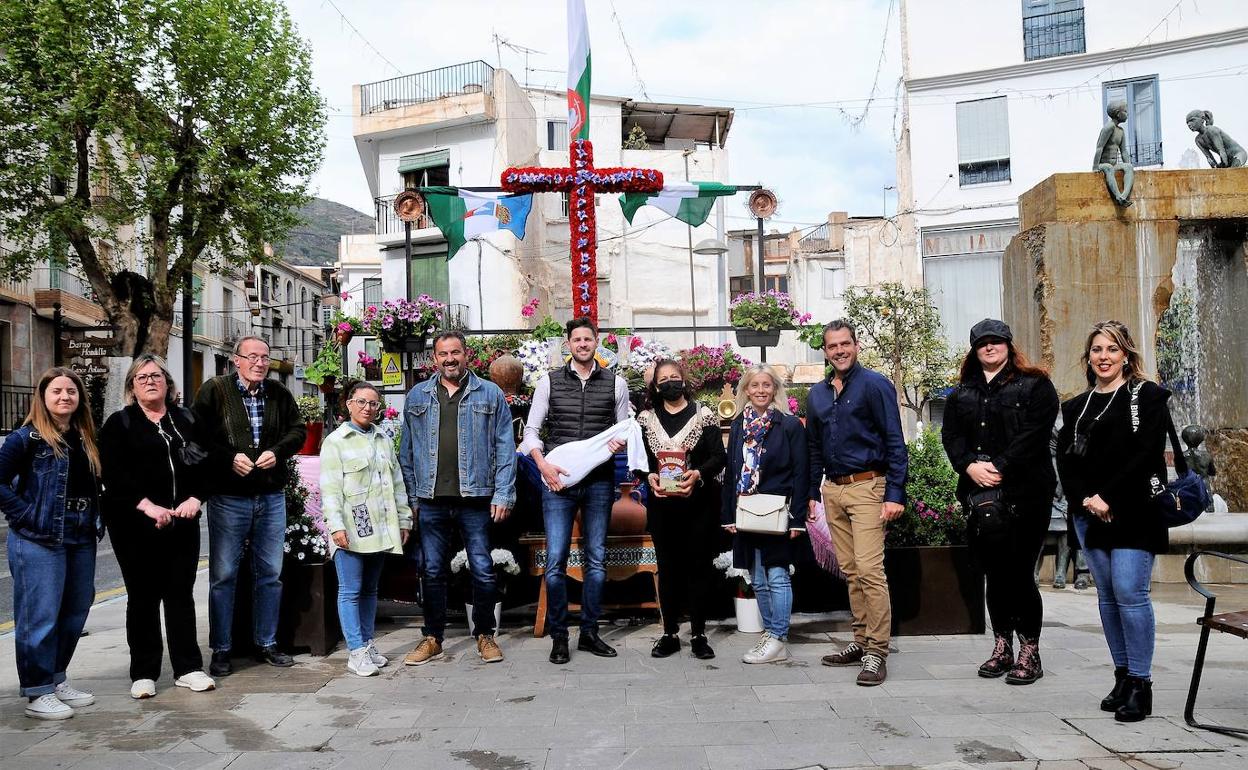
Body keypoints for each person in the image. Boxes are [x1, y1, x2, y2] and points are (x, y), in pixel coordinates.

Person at [1057, 320, 1170, 723]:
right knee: (1107, 596)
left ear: (1126, 355)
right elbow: (1066, 461)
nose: (1104, 357)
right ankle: (1122, 676)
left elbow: (1146, 454)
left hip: (1134, 510)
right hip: (1090, 513)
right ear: (1088, 357)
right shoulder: (1076, 406)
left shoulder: (1148, 396)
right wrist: (1086, 498)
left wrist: (1108, 496)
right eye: (1097, 350)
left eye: (1112, 349)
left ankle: (1141, 683)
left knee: (1130, 592)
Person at [941, 319, 1059, 685]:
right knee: (994, 574)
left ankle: (1030, 651)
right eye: (983, 344)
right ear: (974, 351)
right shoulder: (961, 393)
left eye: (996, 342)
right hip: (981, 497)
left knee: (1020, 573)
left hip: (1026, 494)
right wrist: (969, 467)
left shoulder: (1036, 385)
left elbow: (1035, 434)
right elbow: (951, 436)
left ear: (1009, 345)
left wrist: (999, 467)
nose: (990, 348)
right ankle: (1002, 645)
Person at [99, 355, 215, 699]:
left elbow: (208, 462)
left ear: (168, 383)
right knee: (143, 596)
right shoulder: (119, 424)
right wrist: (147, 506)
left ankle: (189, 668)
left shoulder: (186, 418)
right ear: (132, 387)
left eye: (155, 376)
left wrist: (196, 497)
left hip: (182, 521)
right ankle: (144, 672)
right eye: (141, 377)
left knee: (180, 594)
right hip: (134, 525)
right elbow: (112, 473)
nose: (149, 381)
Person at [400, 331, 516, 666]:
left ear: (467, 355)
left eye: (455, 352)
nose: (449, 359)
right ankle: (433, 638)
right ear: (433, 359)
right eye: (442, 354)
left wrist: (503, 492)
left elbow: (505, 447)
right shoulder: (418, 396)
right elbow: (406, 451)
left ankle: (484, 634)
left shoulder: (490, 394)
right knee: (432, 569)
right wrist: (412, 497)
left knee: (482, 567)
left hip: (475, 498)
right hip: (431, 499)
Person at [193, 335, 306, 677]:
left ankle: (267, 642)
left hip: (270, 496)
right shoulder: (214, 390)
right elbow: (198, 436)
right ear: (236, 360)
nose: (259, 363)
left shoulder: (279, 394)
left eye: (265, 358)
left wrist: (278, 451)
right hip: (228, 498)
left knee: (270, 573)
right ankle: (222, 649)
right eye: (252, 357)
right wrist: (228, 459)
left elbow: (298, 430)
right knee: (223, 575)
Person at [520, 317, 630, 664]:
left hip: (599, 480)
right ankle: (559, 636)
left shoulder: (616, 383)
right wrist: (543, 466)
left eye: (588, 339)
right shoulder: (549, 382)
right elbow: (532, 432)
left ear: (597, 343)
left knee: (596, 560)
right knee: (556, 560)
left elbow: (624, 428)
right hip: (558, 480)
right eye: (576, 339)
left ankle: (590, 632)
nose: (582, 344)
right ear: (567, 344)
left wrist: (615, 445)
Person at [806, 319, 907, 687]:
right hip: (832, 490)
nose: (839, 351)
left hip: (868, 486)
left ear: (856, 344)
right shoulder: (817, 394)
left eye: (845, 344)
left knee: (869, 570)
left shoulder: (875, 384)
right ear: (826, 350)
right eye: (832, 346)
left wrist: (895, 494)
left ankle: (877, 652)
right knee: (850, 571)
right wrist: (810, 495)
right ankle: (861, 640)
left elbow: (896, 442)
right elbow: (814, 448)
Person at [0, 368, 102, 720]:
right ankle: (37, 690)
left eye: (71, 391)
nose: (64, 397)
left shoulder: (86, 436)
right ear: (43, 397)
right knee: (39, 616)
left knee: (75, 611)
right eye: (57, 391)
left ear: (79, 398)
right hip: (39, 536)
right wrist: (25, 515)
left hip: (81, 532)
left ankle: (56, 679)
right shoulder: (25, 438)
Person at [635, 358, 726, 660]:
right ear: (656, 385)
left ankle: (699, 633)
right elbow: (639, 461)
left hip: (699, 504)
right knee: (669, 568)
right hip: (662, 506)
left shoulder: (705, 415)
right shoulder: (645, 419)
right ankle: (669, 633)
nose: (670, 382)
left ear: (684, 381)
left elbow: (719, 457)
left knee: (699, 567)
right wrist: (647, 476)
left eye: (675, 376)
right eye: (664, 379)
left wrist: (697, 474)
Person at [321, 381, 412, 677]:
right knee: (350, 590)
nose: (367, 408)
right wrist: (336, 526)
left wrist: (403, 519)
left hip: (379, 526)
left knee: (371, 589)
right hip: (350, 525)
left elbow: (397, 484)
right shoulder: (336, 441)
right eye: (361, 402)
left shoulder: (382, 438)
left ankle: (368, 642)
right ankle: (355, 650)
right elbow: (330, 489)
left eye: (373, 403)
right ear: (348, 404)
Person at [721, 365, 808, 664]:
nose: (760, 390)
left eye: (766, 385)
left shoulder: (790, 425)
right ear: (746, 390)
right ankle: (771, 635)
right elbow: (732, 472)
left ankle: (778, 636)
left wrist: (798, 518)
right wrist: (728, 515)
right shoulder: (737, 427)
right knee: (757, 578)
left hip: (777, 513)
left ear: (774, 390)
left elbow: (801, 473)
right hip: (746, 512)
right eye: (755, 385)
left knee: (778, 577)